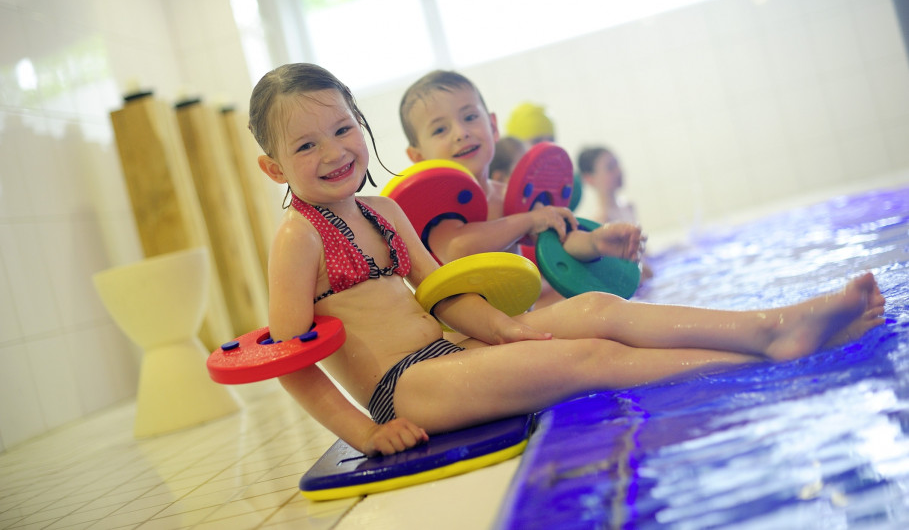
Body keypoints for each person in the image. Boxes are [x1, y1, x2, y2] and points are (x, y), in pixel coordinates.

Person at [250, 63, 886, 458]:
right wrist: (364, 433)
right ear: (274, 166)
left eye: (343, 129)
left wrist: (504, 330)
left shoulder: (382, 213)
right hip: (404, 388)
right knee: (590, 360)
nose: (334, 152)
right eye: (307, 144)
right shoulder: (298, 238)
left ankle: (771, 328)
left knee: (599, 308)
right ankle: (769, 355)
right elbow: (291, 357)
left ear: (361, 127)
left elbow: (440, 291)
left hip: (451, 352)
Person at [399, 70, 641, 270]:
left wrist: (595, 242)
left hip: (523, 319)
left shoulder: (512, 197)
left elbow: (559, 241)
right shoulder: (437, 211)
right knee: (602, 310)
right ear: (418, 157)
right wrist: (527, 221)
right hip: (468, 329)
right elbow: (458, 248)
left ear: (493, 127)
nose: (461, 132)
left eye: (470, 117)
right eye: (440, 130)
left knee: (599, 306)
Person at [576, 145, 653, 279]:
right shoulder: (600, 222)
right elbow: (618, 275)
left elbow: (645, 254)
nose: (618, 171)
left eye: (617, 164)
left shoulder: (629, 207)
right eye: (610, 168)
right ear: (589, 178)